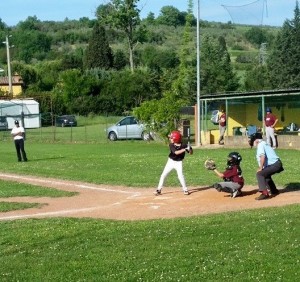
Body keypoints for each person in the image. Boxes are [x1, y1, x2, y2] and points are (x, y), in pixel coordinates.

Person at [154, 130, 193, 196]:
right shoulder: (171, 145)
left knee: (180, 176)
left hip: (179, 163)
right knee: (163, 175)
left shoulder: (184, 145)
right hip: (170, 162)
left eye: (172, 138)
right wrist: (185, 149)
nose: (170, 139)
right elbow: (176, 152)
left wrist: (190, 149)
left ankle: (185, 189)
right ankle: (159, 190)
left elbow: (191, 153)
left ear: (176, 139)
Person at [248, 132, 284, 200]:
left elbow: (262, 156)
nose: (251, 141)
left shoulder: (260, 145)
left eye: (253, 139)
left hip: (275, 164)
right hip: (276, 164)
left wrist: (260, 167)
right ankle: (273, 190)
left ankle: (264, 193)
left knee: (260, 174)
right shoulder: (264, 143)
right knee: (265, 174)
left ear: (256, 140)